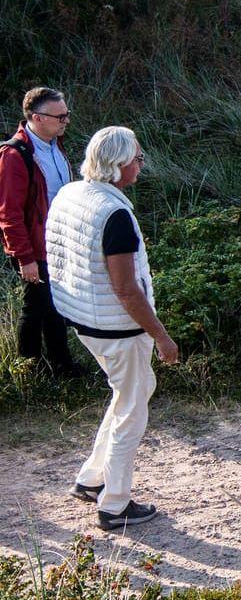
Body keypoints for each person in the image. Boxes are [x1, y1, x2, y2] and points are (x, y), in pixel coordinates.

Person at [47, 126, 178, 530]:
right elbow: (125, 288)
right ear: (119, 164)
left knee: (129, 393)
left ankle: (91, 479)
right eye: (137, 158)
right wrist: (161, 335)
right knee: (133, 409)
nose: (141, 165)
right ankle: (115, 503)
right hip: (118, 328)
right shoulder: (116, 215)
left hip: (83, 319)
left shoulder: (71, 193)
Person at [1, 87, 82, 377]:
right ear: (36, 117)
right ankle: (30, 370)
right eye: (60, 116)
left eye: (66, 115)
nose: (66, 121)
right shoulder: (15, 154)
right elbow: (9, 213)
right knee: (35, 307)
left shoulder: (54, 145)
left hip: (59, 243)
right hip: (34, 248)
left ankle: (61, 365)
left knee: (55, 304)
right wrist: (25, 258)